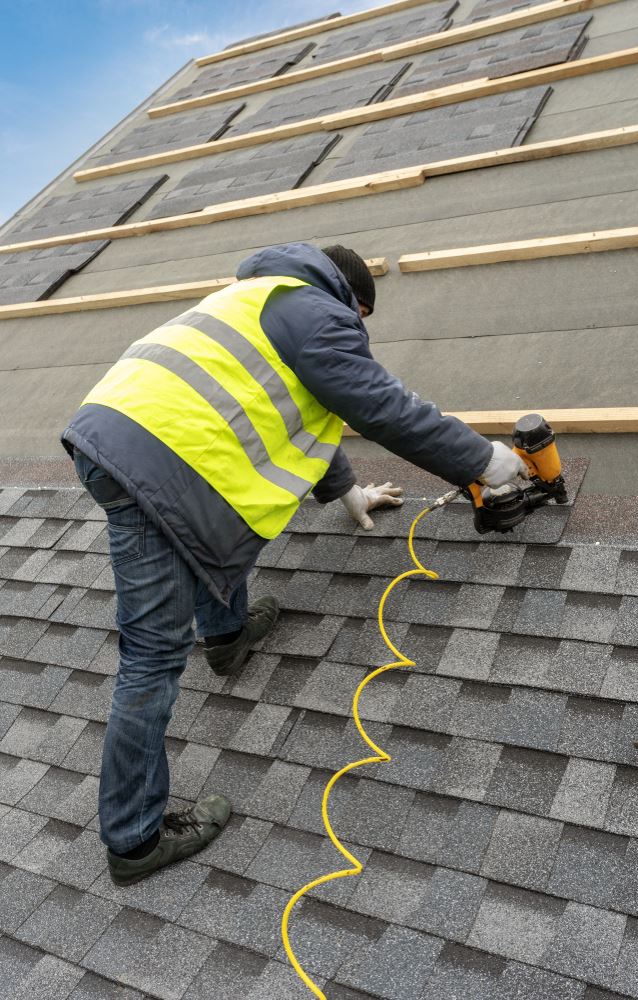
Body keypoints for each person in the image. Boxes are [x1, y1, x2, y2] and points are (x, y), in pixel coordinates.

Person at [61, 242, 527, 885]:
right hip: (155, 463)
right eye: (363, 320)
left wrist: (348, 491)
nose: (361, 334)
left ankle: (227, 636)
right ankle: (134, 838)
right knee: (151, 656)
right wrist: (484, 461)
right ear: (353, 300)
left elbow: (304, 407)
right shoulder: (317, 311)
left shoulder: (261, 301)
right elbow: (378, 404)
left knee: (211, 525)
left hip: (121, 440)